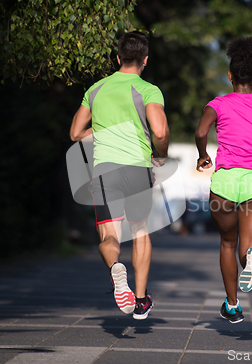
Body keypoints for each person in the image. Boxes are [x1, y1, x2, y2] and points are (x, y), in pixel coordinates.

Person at [70, 32, 169, 320]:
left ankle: (115, 268)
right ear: (145, 60)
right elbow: (160, 132)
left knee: (108, 235)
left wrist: (101, 129)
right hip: (137, 169)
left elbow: (75, 133)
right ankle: (140, 301)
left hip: (104, 172)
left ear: (117, 58)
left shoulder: (96, 90)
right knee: (139, 231)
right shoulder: (149, 90)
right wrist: (160, 155)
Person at [195, 37, 252, 324]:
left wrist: (203, 155)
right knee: (247, 248)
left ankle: (232, 304)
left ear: (230, 76)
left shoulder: (218, 104)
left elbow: (201, 132)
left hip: (224, 181)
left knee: (226, 243)